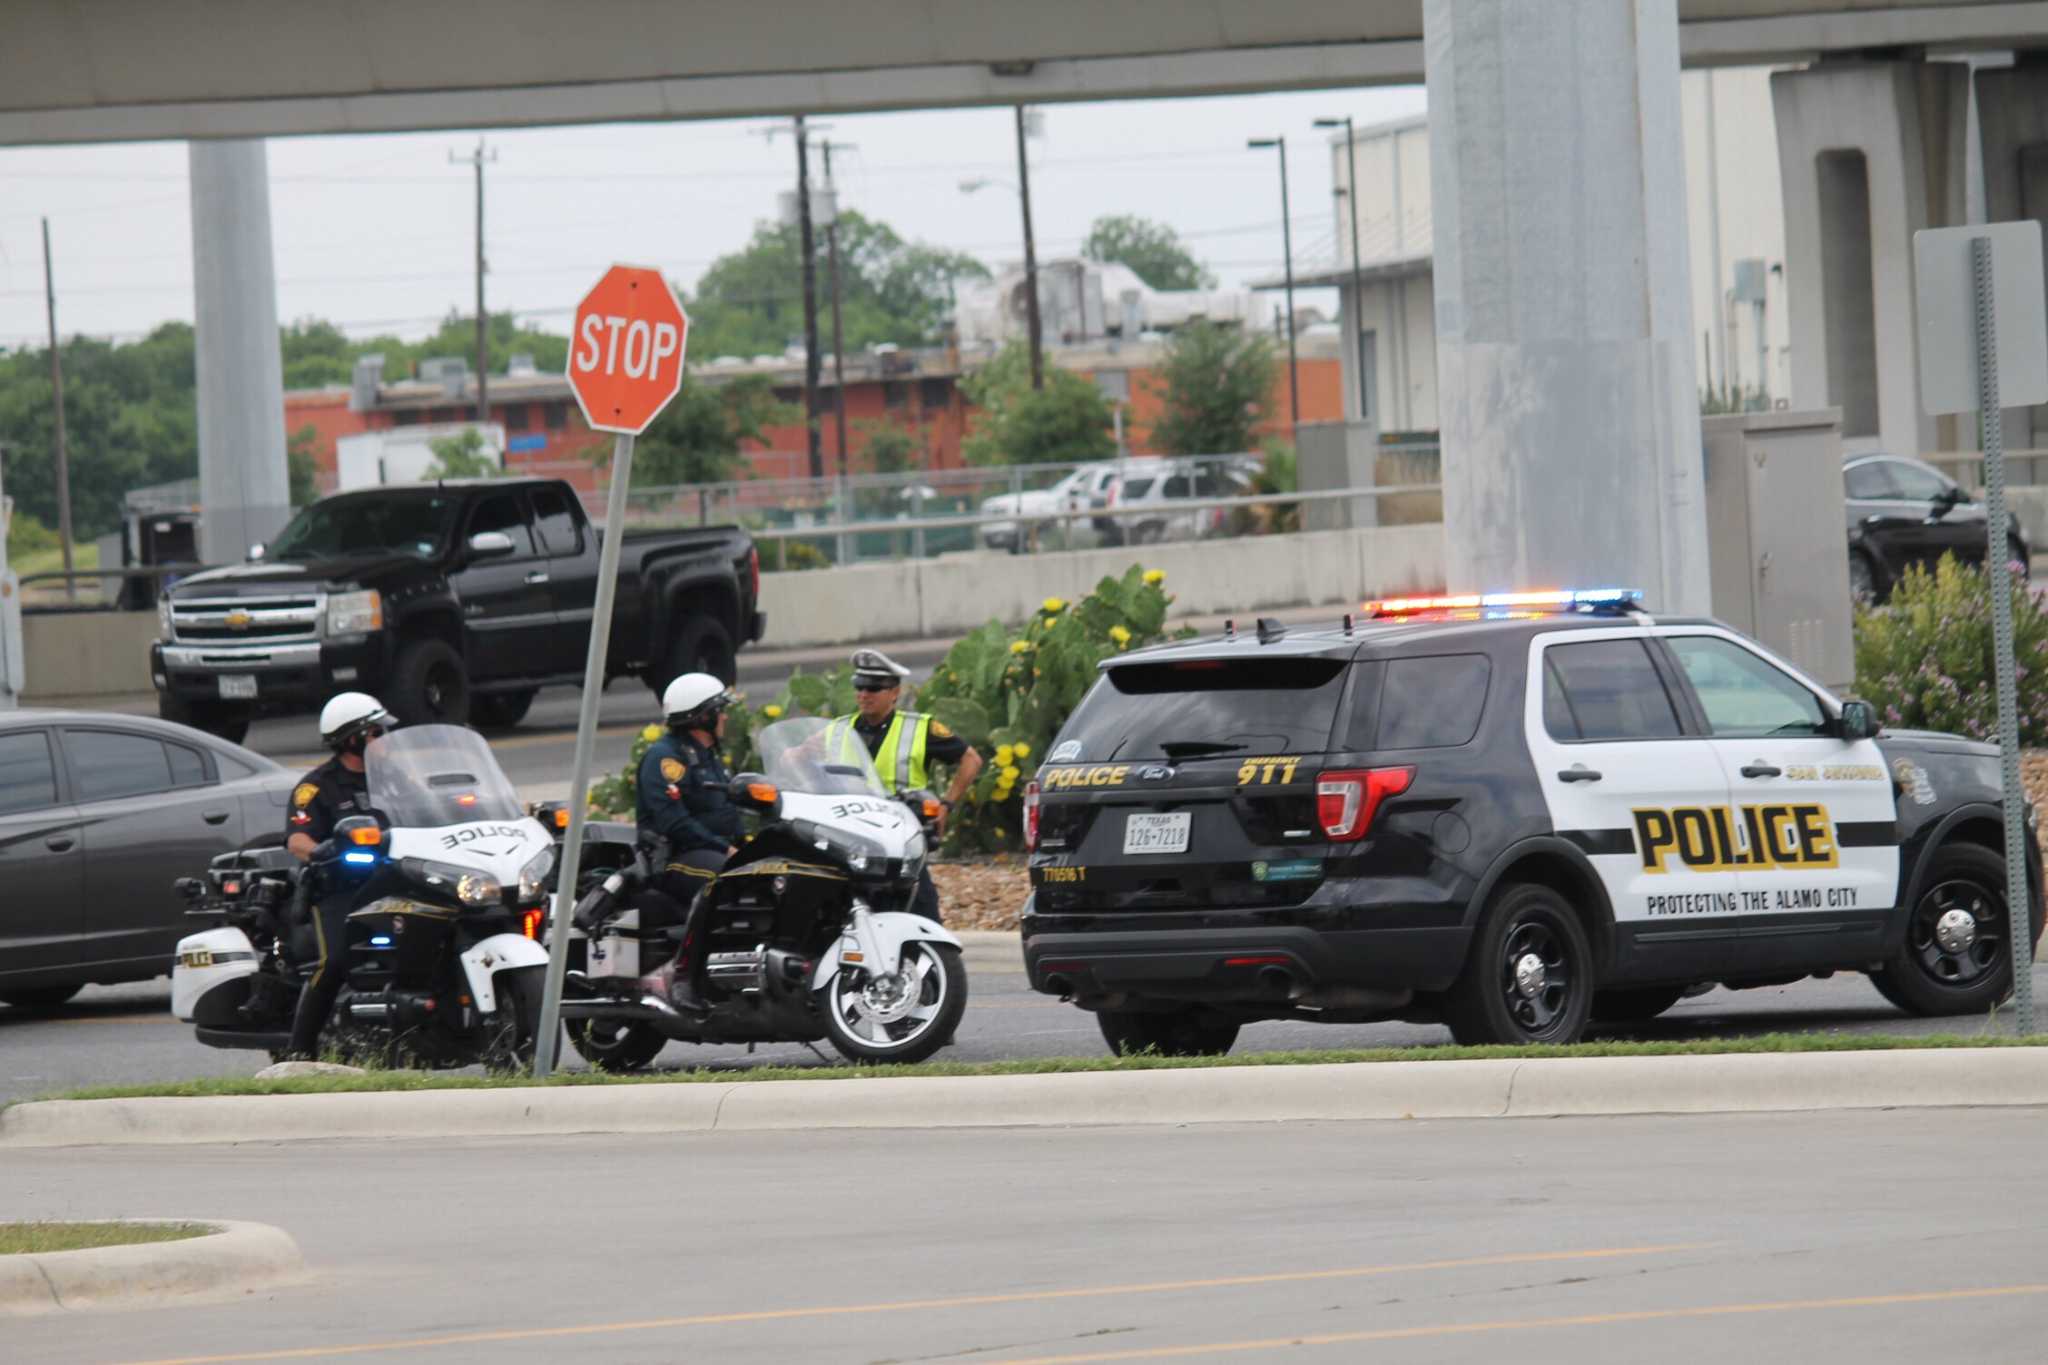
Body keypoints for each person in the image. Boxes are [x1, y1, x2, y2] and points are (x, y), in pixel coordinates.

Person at [826, 648, 983, 920]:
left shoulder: (920, 727)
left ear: (894, 692)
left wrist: (946, 805)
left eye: (874, 688)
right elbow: (797, 757)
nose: (864, 694)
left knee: (921, 914)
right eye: (859, 686)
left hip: (901, 838)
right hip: (849, 837)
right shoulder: (838, 729)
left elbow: (971, 760)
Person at [284, 691, 394, 1059]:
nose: (386, 740)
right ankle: (300, 1051)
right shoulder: (316, 786)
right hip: (339, 887)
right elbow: (297, 838)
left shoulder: (395, 778)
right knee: (335, 962)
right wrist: (320, 851)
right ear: (353, 739)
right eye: (378, 732)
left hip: (395, 879)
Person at [636, 672, 741, 1013]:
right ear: (702, 716)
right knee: (723, 882)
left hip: (709, 850)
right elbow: (674, 823)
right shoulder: (665, 759)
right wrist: (725, 849)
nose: (724, 716)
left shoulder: (707, 756)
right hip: (673, 858)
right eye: (719, 710)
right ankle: (684, 977)